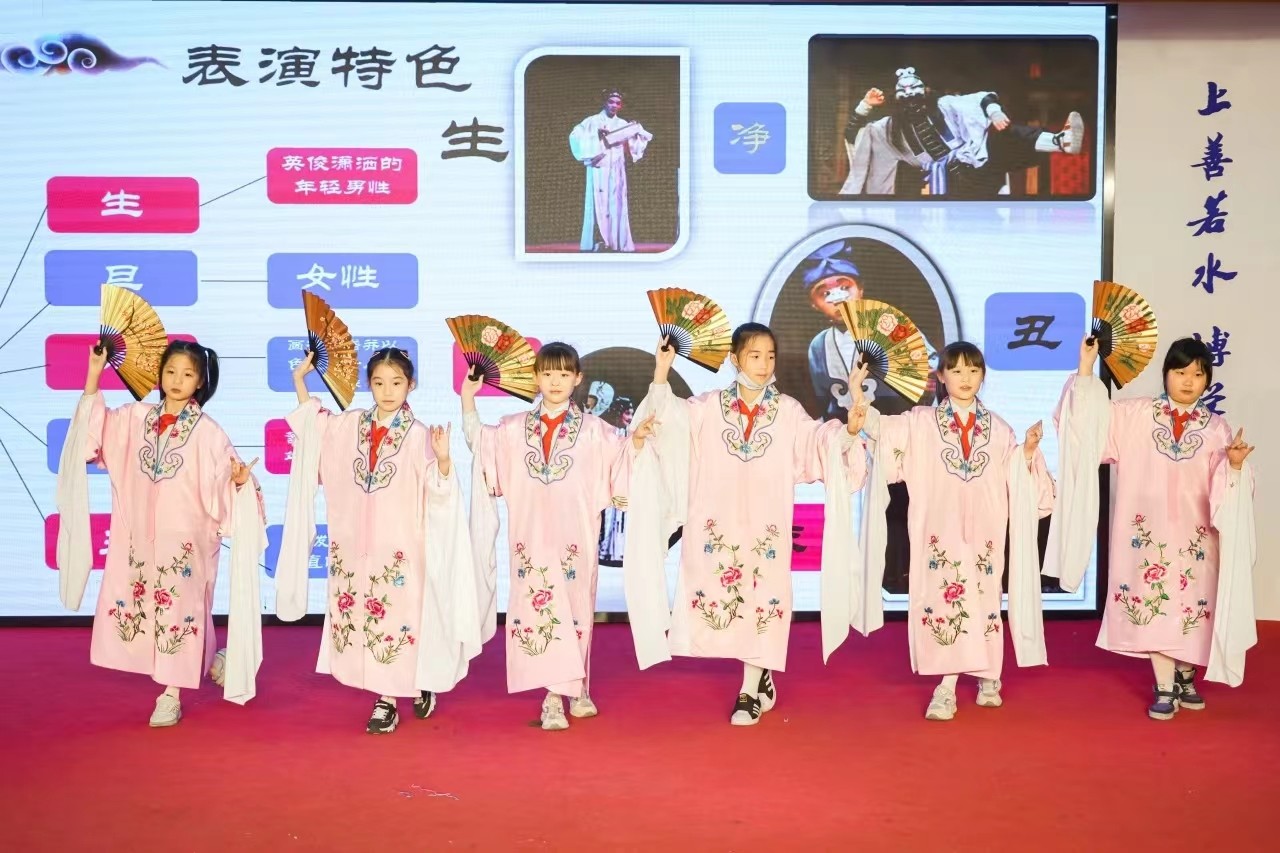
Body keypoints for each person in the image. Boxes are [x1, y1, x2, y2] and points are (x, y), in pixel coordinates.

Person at [625, 324, 870, 726]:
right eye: (754, 355)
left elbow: (818, 442)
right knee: (723, 600)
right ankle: (762, 674)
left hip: (767, 526)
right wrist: (662, 371)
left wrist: (849, 432)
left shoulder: (787, 411)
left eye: (770, 356)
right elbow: (665, 424)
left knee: (765, 600)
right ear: (734, 359)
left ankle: (748, 690)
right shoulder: (707, 408)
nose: (764, 364)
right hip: (716, 523)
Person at [1046, 337, 1258, 719]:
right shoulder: (1135, 416)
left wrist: (1236, 465)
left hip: (1196, 536)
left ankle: (1186, 673)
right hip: (1144, 533)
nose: (1189, 381)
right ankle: (1164, 685)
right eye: (1180, 372)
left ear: (1207, 380)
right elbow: (1086, 425)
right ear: (1165, 373)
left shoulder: (1217, 429)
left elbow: (1226, 491)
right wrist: (1085, 369)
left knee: (1193, 605)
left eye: (1198, 374)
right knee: (1154, 602)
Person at [56, 340, 266, 726]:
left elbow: (229, 483)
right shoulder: (133, 419)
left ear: (200, 382)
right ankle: (213, 660)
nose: (176, 380)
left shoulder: (209, 433)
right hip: (138, 537)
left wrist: (238, 484)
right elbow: (91, 436)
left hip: (187, 542)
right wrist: (94, 373)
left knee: (181, 610)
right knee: (148, 608)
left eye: (187, 374)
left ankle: (170, 693)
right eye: (170, 371)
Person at [277, 348, 481, 735]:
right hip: (355, 546)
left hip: (401, 548)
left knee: (400, 619)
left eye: (397, 382)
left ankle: (391, 697)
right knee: (366, 618)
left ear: (411, 385)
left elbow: (441, 493)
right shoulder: (349, 426)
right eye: (379, 382)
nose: (388, 391)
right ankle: (403, 687)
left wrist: (442, 461)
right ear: (368, 385)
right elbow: (312, 428)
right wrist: (300, 380)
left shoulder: (420, 436)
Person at [858, 340, 1055, 720]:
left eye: (974, 370)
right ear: (942, 376)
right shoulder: (920, 423)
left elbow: (1016, 477)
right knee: (945, 598)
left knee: (984, 599)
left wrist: (1027, 453)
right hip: (939, 528)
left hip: (985, 529)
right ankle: (946, 687)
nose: (966, 378)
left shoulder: (999, 429)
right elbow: (881, 432)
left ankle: (988, 676)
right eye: (957, 370)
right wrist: (859, 399)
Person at [463, 343, 654, 730]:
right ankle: (553, 697)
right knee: (538, 609)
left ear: (578, 379)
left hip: (575, 536)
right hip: (530, 537)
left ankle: (578, 687)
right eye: (548, 373)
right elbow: (480, 443)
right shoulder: (513, 429)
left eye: (564, 374)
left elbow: (621, 463)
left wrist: (635, 441)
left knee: (575, 607)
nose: (555, 381)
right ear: (535, 377)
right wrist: (468, 399)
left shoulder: (596, 431)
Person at [841, 66, 1084, 198]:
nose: (911, 98)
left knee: (1002, 138)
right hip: (943, 184)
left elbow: (981, 99)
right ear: (896, 98)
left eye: (915, 91)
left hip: (974, 164)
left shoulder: (945, 105)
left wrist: (994, 112)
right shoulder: (887, 129)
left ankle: (1059, 141)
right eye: (904, 94)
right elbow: (855, 137)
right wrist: (865, 106)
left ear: (925, 91)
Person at [569, 88, 653, 252]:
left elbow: (633, 147)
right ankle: (599, 241)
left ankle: (616, 241)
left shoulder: (622, 124)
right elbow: (574, 136)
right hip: (599, 166)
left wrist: (634, 131)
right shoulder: (592, 121)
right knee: (599, 202)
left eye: (618, 103)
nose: (614, 105)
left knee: (616, 202)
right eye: (611, 102)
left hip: (616, 167)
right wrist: (595, 134)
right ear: (604, 102)